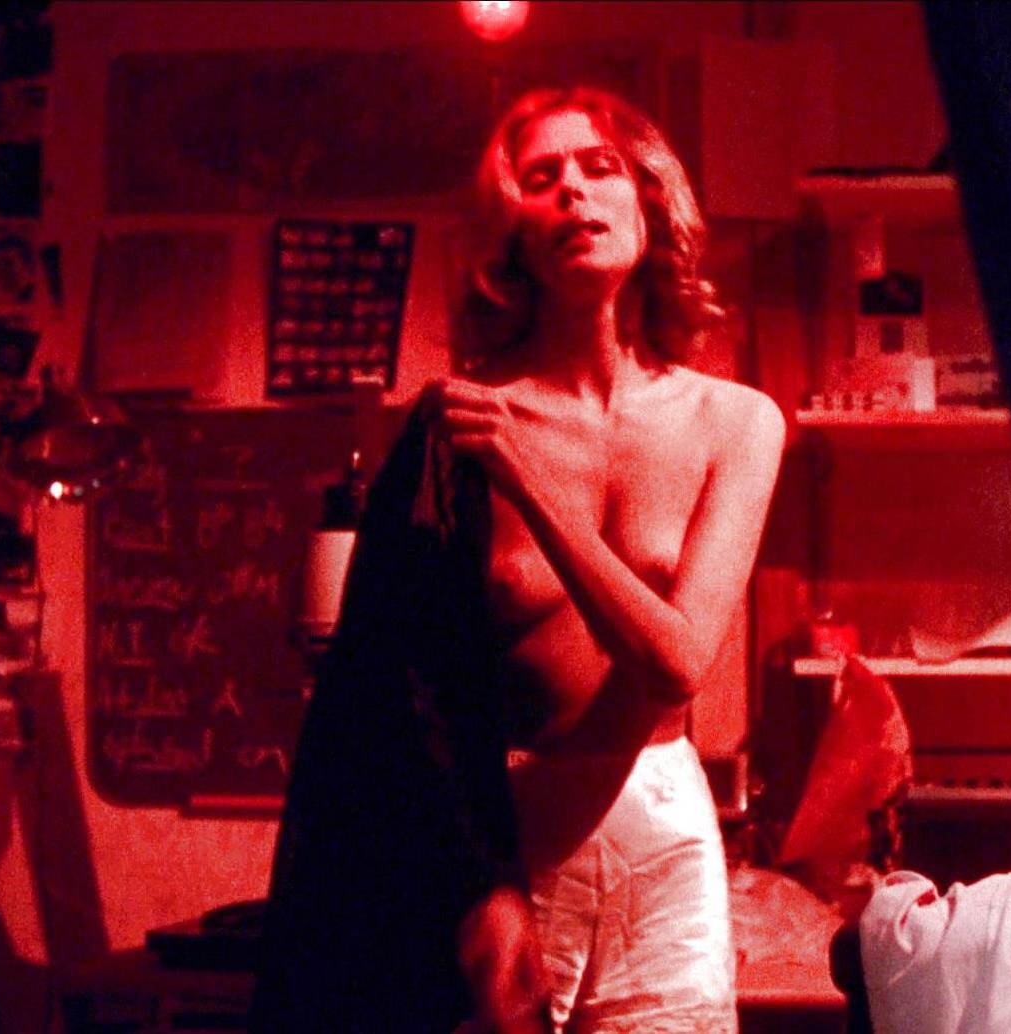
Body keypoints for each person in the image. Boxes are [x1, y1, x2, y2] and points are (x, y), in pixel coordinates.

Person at [253, 86, 784, 1034]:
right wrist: (480, 891)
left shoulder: (735, 422)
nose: (573, 191)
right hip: (504, 838)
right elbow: (392, 691)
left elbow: (677, 662)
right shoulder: (455, 428)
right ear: (513, 237)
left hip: (664, 827)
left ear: (649, 202)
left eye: (598, 167)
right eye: (542, 179)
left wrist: (533, 482)